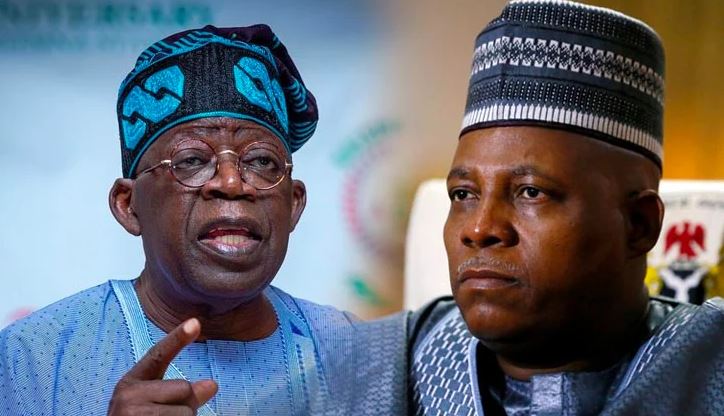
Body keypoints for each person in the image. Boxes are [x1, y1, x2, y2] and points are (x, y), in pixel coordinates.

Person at [0, 25, 406, 415]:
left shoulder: (361, 358)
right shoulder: (31, 360)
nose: (231, 183)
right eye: (192, 160)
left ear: (294, 204)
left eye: (261, 162)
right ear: (128, 205)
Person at [409, 1, 724, 415]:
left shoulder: (710, 367)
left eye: (530, 192)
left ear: (639, 224)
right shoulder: (378, 369)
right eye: (463, 194)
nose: (479, 229)